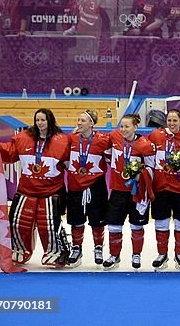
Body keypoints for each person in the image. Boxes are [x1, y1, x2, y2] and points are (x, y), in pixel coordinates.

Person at [0, 109, 71, 268]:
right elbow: (11, 153)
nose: (40, 123)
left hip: (51, 191)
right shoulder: (24, 138)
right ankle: (19, 250)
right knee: (17, 222)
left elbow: (71, 163)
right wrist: (0, 147)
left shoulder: (62, 140)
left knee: (49, 225)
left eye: (43, 120)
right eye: (37, 120)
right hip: (26, 190)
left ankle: (56, 253)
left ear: (50, 121)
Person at [102, 114, 156, 270]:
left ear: (135, 127)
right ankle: (114, 255)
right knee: (113, 225)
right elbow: (106, 155)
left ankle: (136, 254)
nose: (123, 129)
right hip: (117, 190)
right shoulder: (114, 137)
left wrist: (141, 175)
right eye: (121, 126)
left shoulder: (145, 145)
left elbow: (151, 168)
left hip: (136, 192)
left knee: (136, 226)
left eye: (127, 126)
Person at [147, 109, 180, 270]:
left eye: (175, 121)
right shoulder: (156, 135)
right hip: (161, 187)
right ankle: (162, 254)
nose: (172, 124)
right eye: (169, 120)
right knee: (161, 222)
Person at [63, 110, 110, 268]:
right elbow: (62, 155)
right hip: (76, 184)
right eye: (78, 120)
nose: (79, 123)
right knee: (76, 219)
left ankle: (98, 248)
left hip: (96, 184)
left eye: (82, 120)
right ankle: (76, 248)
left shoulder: (103, 139)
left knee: (97, 219)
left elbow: (111, 157)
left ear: (91, 124)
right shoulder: (71, 138)